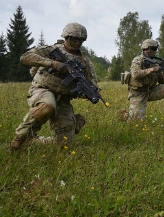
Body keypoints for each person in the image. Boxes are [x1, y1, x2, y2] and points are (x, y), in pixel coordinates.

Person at [10, 22, 98, 151]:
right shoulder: (51, 50)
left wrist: (86, 90)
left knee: (65, 145)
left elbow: (93, 83)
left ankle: (34, 140)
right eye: (74, 39)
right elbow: (25, 57)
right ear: (66, 38)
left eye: (81, 40)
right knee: (47, 105)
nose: (77, 43)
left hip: (63, 99)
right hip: (42, 89)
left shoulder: (84, 61)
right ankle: (19, 139)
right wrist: (53, 64)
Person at [121, 39, 164, 121]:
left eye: (156, 49)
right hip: (138, 93)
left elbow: (161, 81)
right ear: (147, 49)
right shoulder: (138, 60)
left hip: (150, 91)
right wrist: (152, 69)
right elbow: (135, 74)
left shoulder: (154, 62)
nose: (155, 51)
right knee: (135, 121)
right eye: (154, 49)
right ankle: (124, 115)